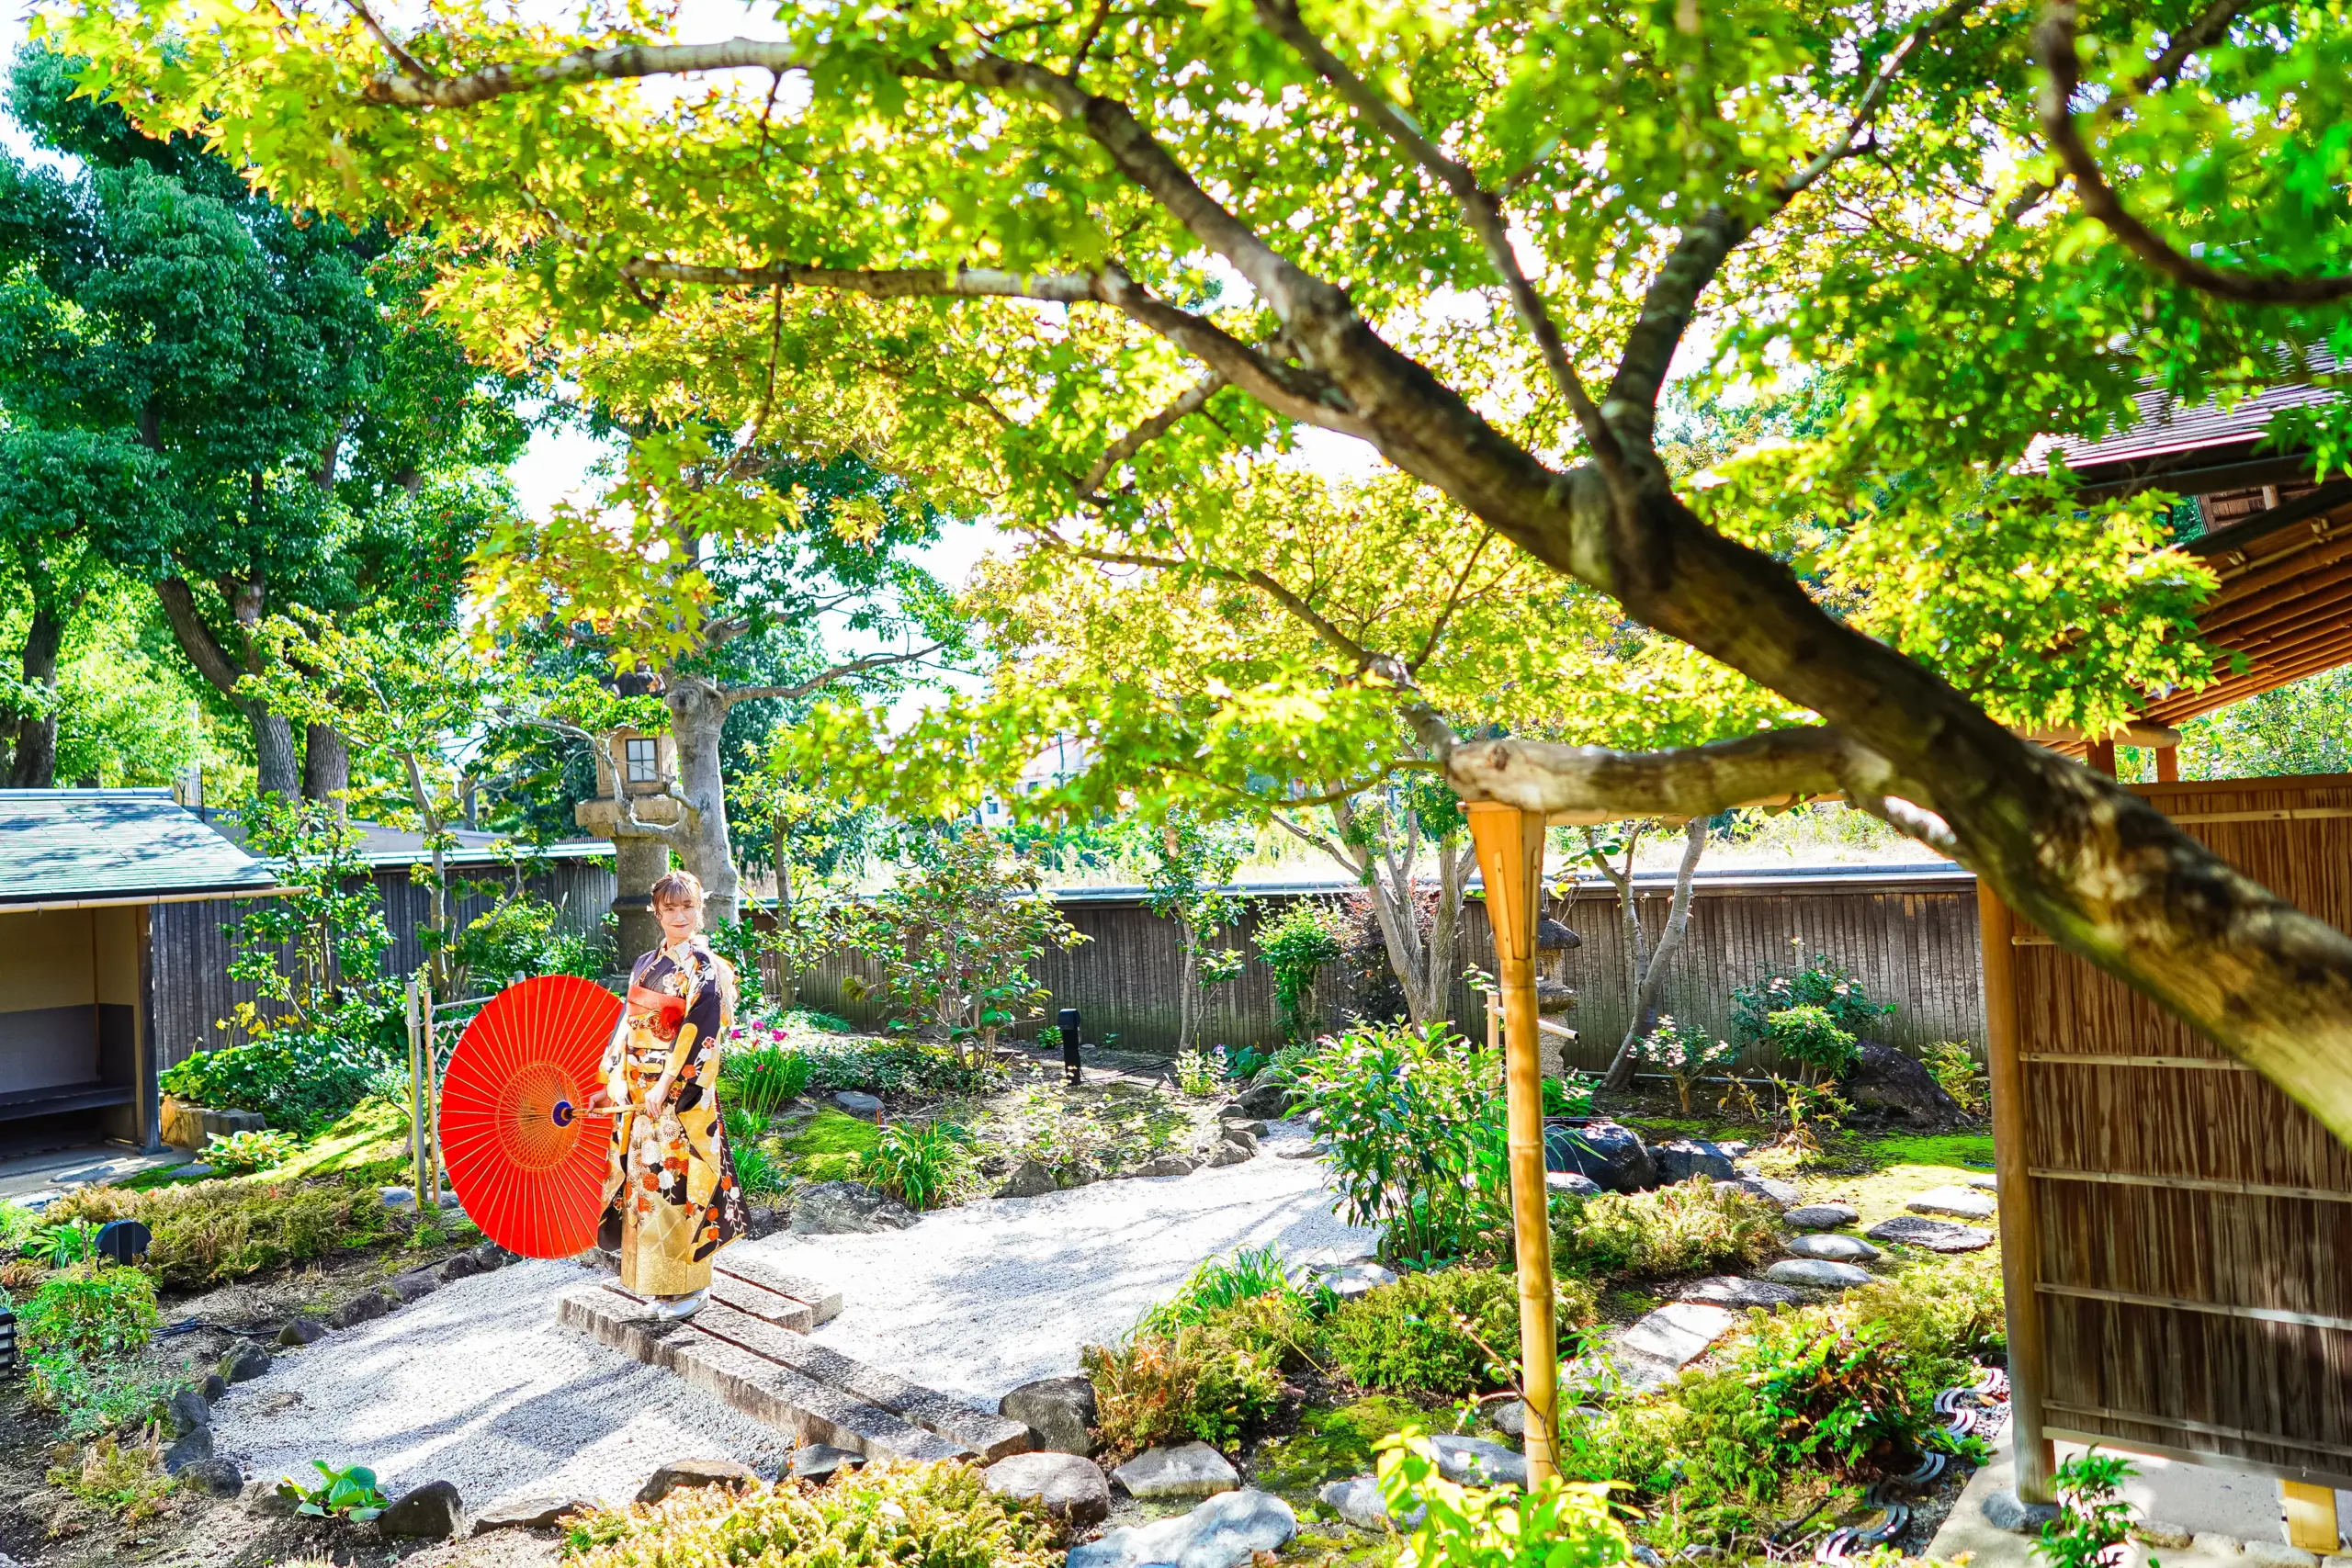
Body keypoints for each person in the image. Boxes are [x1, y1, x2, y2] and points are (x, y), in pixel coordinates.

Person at [583, 870, 747, 1317]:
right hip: (640, 1094)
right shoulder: (644, 965)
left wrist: (665, 1085)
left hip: (680, 1095)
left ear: (700, 909)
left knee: (681, 1184)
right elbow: (627, 1030)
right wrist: (609, 1086)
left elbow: (700, 1034)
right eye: (669, 909)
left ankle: (692, 1287)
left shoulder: (705, 968)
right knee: (647, 1189)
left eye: (687, 907)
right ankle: (660, 1285)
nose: (679, 916)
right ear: (656, 913)